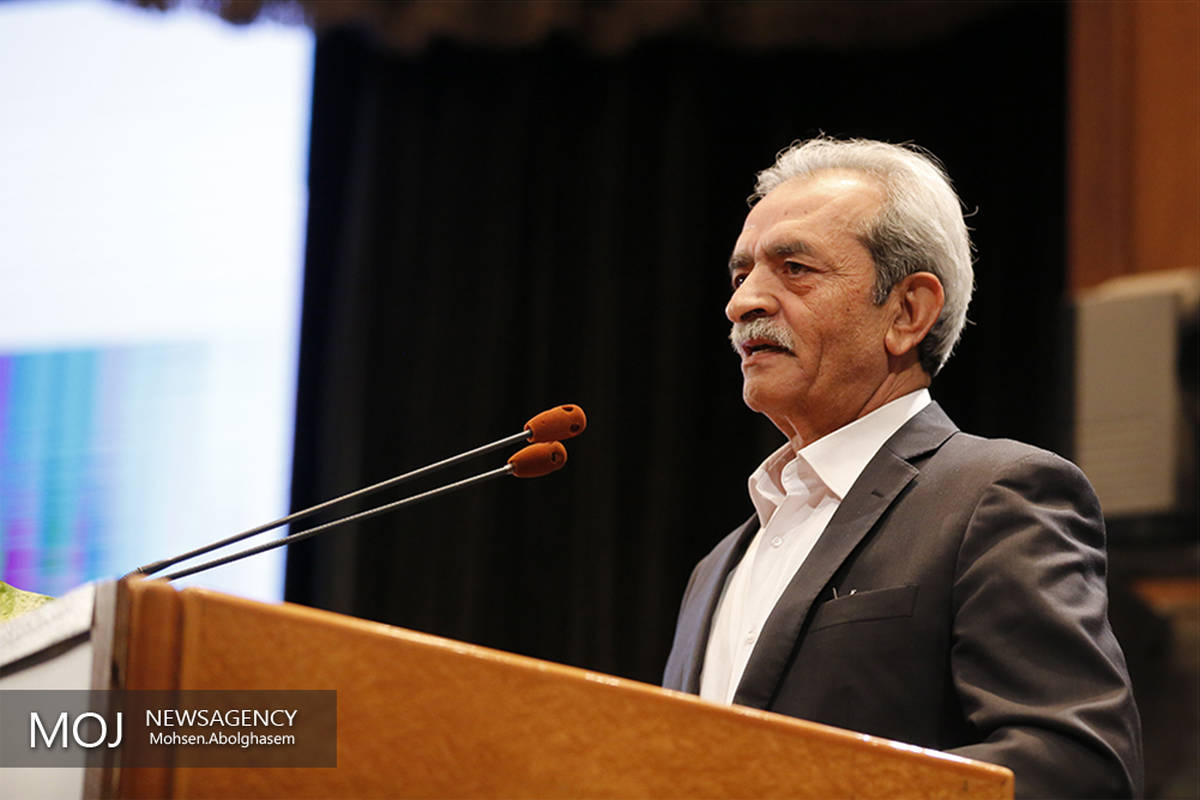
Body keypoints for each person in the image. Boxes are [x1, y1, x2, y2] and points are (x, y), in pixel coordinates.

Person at [662, 137, 1143, 799]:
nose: (743, 303)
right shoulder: (715, 568)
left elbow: (1076, 768)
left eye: (794, 267)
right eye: (741, 275)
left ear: (908, 311)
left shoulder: (994, 497)